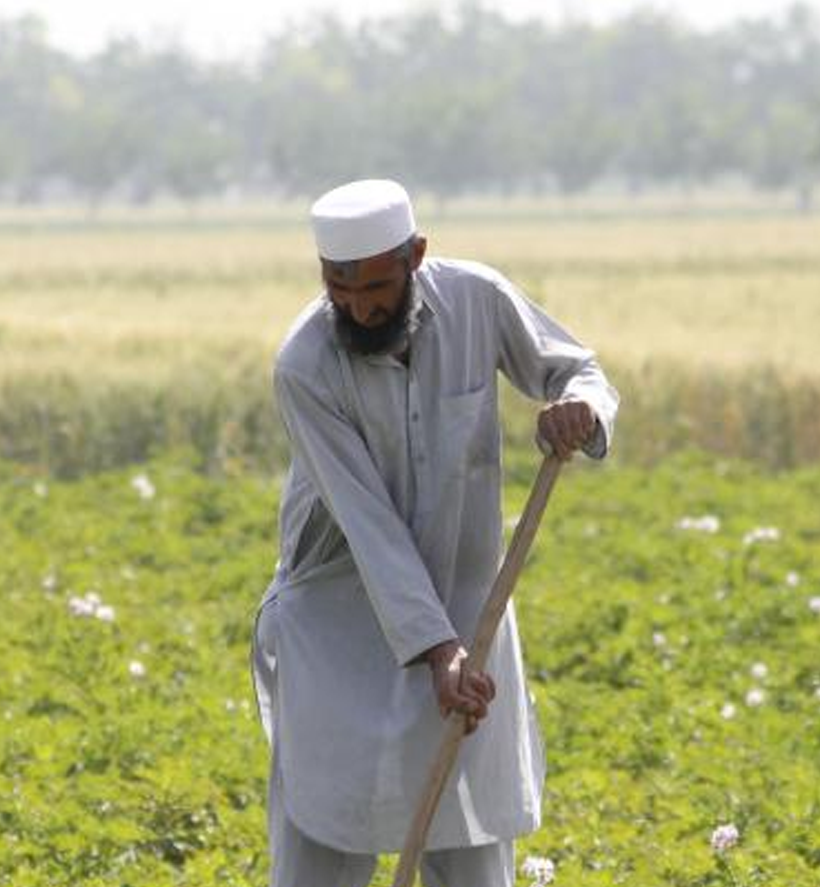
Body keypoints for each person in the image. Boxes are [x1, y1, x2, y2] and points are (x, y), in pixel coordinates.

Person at [252, 178, 618, 887]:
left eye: (377, 288)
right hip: (338, 621)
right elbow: (370, 526)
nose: (360, 308)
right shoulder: (304, 365)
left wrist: (579, 408)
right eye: (340, 289)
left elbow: (580, 369)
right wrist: (434, 649)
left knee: (471, 837)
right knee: (321, 841)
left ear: (416, 254)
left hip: (465, 606)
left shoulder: (478, 300)